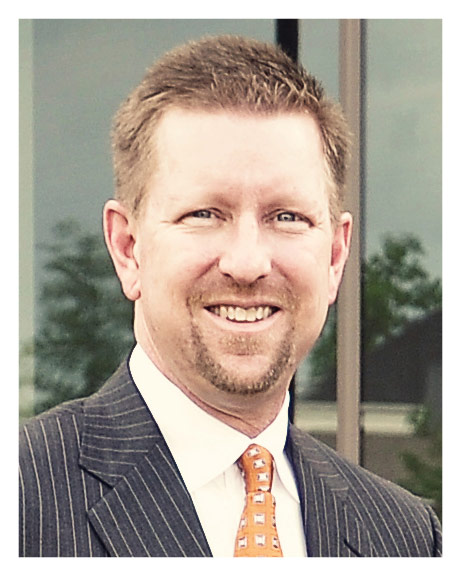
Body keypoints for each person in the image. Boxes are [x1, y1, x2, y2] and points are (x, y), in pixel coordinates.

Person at [19, 35, 442, 557]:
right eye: (204, 214)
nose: (247, 264)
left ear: (335, 257)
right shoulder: (20, 500)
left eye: (287, 217)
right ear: (128, 249)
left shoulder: (407, 540)